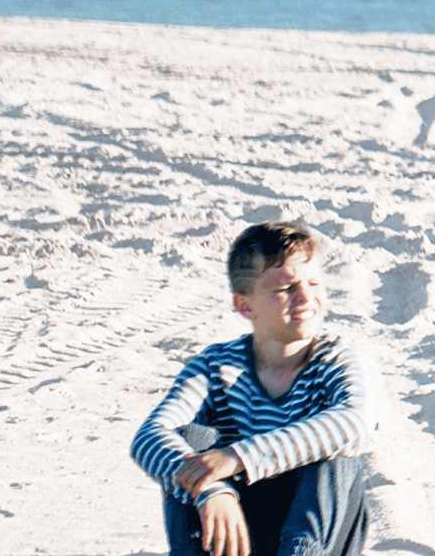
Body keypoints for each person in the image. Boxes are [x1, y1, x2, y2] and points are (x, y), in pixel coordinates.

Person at [132, 221, 377, 556]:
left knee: (335, 447)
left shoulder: (333, 359)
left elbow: (357, 421)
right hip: (238, 535)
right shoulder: (216, 366)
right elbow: (149, 437)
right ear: (245, 305)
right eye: (286, 288)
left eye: (314, 283)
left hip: (314, 538)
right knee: (190, 438)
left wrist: (238, 458)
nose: (305, 297)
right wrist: (211, 490)